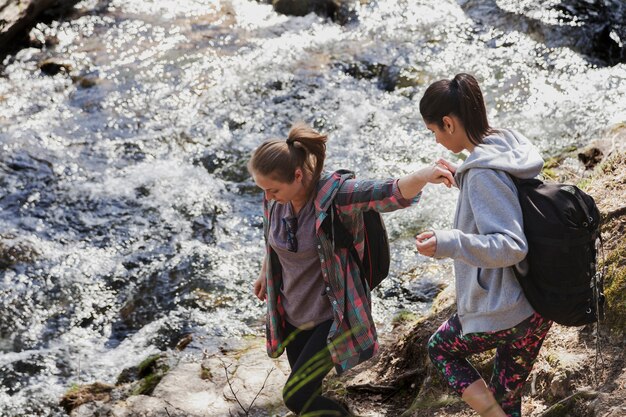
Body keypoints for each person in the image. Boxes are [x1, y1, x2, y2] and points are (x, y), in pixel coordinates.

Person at [248, 122, 454, 417]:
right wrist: (264, 270)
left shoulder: (337, 197)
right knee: (309, 398)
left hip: (332, 319)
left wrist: (424, 175)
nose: (267, 197)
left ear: (297, 175)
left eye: (273, 189)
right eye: (263, 190)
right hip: (293, 315)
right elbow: (273, 239)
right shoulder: (274, 200)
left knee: (296, 396)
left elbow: (388, 192)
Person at [415, 73, 553, 417]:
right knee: (508, 401)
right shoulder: (505, 145)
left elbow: (510, 244)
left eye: (434, 132)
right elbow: (507, 204)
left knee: (442, 350)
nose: (436, 140)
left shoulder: (482, 173)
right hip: (538, 303)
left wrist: (449, 242)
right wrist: (464, 176)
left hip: (509, 311)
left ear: (448, 123)